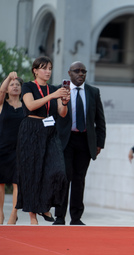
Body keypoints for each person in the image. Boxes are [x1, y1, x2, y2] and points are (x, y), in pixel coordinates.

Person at [16, 56, 70, 225]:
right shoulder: (28, 86)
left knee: (58, 171)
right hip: (31, 130)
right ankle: (33, 217)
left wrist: (64, 102)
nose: (48, 71)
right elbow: (31, 105)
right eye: (44, 68)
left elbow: (62, 113)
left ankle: (45, 204)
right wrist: (53, 95)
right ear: (35, 70)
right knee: (32, 173)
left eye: (50, 68)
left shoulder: (54, 89)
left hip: (49, 131)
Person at [53, 61, 106, 225]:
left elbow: (100, 120)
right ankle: (60, 217)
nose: (81, 74)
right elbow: (54, 118)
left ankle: (76, 218)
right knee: (64, 177)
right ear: (69, 73)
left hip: (85, 141)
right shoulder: (60, 90)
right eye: (77, 71)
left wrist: (99, 143)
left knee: (79, 179)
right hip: (65, 141)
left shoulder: (93, 92)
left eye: (83, 71)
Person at [0, 72, 24, 225]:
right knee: (0, 182)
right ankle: (0, 213)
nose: (15, 86)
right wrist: (9, 77)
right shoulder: (2, 104)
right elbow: (0, 92)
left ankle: (13, 214)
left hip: (20, 149)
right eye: (12, 84)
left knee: (17, 182)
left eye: (17, 84)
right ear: (7, 89)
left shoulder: (26, 106)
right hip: (2, 148)